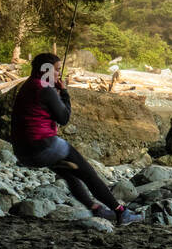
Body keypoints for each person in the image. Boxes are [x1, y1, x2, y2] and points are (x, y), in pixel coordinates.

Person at [9, 52, 142, 224]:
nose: (59, 74)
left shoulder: (28, 85)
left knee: (69, 173)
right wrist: (64, 93)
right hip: (44, 147)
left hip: (23, 152)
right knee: (88, 174)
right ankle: (121, 212)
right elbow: (63, 118)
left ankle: (95, 209)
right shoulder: (45, 88)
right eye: (56, 70)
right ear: (46, 70)